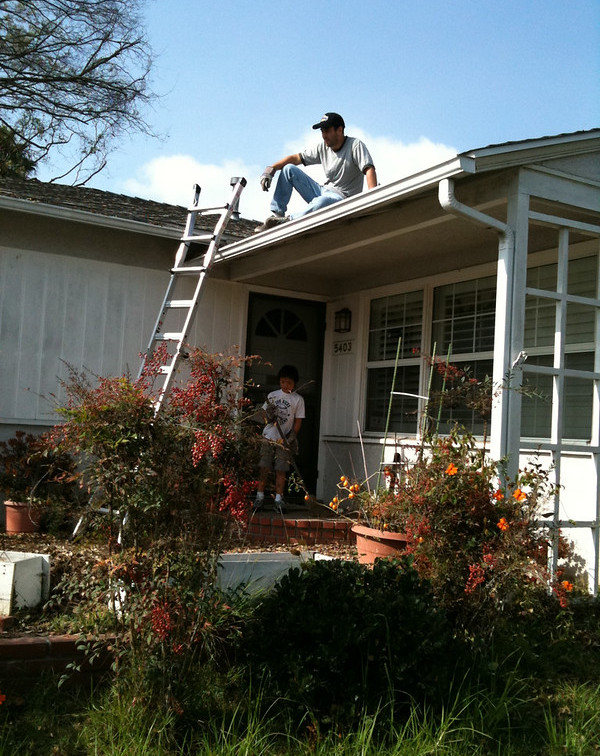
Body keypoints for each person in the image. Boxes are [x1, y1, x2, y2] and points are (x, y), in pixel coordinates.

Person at [255, 112, 377, 232]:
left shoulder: (355, 145)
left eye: (327, 131)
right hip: (323, 191)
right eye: (322, 132)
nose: (324, 136)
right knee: (288, 169)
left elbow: (369, 169)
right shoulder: (322, 148)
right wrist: (271, 170)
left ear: (339, 130)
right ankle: (276, 218)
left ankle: (289, 221)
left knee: (321, 201)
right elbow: (295, 158)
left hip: (343, 200)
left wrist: (372, 198)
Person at [254, 365, 305, 513]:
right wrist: (268, 415)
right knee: (264, 466)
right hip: (269, 436)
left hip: (284, 440)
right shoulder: (272, 396)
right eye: (283, 382)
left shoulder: (298, 400)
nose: (285, 385)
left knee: (281, 468)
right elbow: (263, 416)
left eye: (289, 383)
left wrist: (292, 436)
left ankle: (278, 499)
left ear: (294, 383)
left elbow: (298, 420)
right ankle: (259, 497)